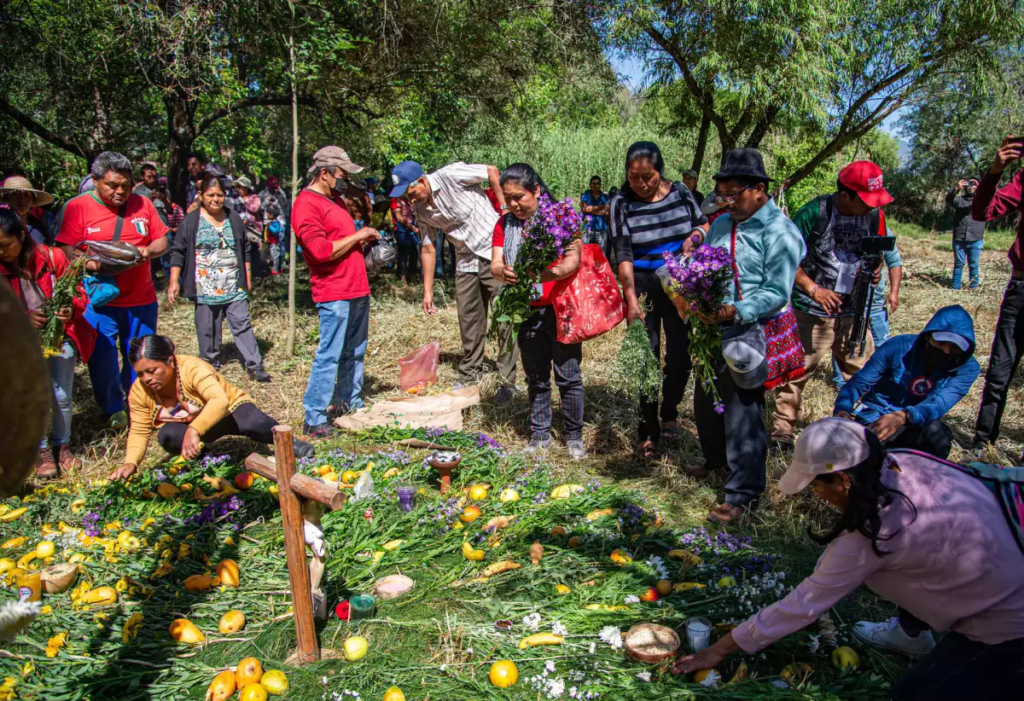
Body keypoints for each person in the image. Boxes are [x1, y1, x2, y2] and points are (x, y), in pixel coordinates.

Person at [673, 418, 1024, 701]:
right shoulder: (903, 462)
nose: (814, 493)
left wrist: (717, 651)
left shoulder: (873, 535)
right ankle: (911, 632)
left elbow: (803, 604)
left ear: (841, 480)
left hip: (1008, 622)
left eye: (814, 484)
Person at [682, 148, 805, 524]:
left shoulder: (779, 232)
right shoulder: (723, 223)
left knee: (741, 408)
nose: (726, 201)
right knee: (707, 399)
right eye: (722, 193)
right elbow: (707, 262)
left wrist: (735, 310)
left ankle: (743, 492)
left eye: (733, 193)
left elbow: (776, 292)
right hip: (713, 324)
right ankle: (716, 461)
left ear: (759, 190)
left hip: (749, 328)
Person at [771, 161, 896, 456]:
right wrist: (813, 289)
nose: (870, 208)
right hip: (811, 313)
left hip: (854, 314)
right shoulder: (814, 213)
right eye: (865, 201)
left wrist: (875, 270)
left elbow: (876, 253)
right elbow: (782, 258)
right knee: (795, 374)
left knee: (864, 373)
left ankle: (862, 434)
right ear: (846, 194)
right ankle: (782, 436)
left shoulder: (874, 215)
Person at [55, 151, 169, 428]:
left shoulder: (143, 204)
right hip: (99, 301)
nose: (120, 192)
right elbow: (65, 248)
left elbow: (162, 240)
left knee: (140, 355)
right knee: (102, 357)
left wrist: (146, 251)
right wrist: (92, 265)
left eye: (126, 185)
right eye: (112, 185)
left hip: (141, 298)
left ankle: (137, 405)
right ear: (95, 181)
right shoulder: (77, 207)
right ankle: (112, 408)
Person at [609, 142, 709, 458]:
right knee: (646, 361)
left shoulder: (680, 191)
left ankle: (670, 411)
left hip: (679, 287)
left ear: (660, 171)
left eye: (647, 176)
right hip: (642, 288)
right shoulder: (620, 203)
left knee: (680, 357)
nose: (640, 183)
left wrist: (694, 240)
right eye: (633, 176)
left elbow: (702, 224)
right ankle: (648, 427)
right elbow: (622, 253)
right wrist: (631, 300)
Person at [391, 159, 518, 400]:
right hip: (465, 260)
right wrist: (427, 291)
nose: (410, 199)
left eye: (411, 192)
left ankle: (507, 381)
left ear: (421, 180)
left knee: (505, 317)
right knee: (469, 320)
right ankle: (470, 374)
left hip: (494, 252)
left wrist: (504, 209)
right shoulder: (420, 210)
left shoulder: (451, 175)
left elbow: (491, 171)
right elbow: (428, 248)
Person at [109, 335, 313, 480]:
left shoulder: (193, 368)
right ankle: (206, 459)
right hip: (194, 425)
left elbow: (219, 401)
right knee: (168, 436)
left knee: (256, 422)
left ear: (170, 361)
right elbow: (139, 429)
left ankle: (288, 443)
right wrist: (131, 462)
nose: (146, 379)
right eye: (140, 374)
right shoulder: (139, 391)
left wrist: (194, 429)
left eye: (151, 371)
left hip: (229, 412)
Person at [491, 164, 586, 458]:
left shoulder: (561, 218)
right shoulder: (504, 225)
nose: (514, 204)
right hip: (526, 309)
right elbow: (495, 262)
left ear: (536, 191)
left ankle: (573, 437)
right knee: (536, 375)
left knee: (568, 374)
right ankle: (540, 434)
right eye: (509, 199)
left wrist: (547, 274)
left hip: (560, 309)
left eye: (519, 196)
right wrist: (502, 271)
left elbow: (574, 260)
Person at [0, 209, 95, 478]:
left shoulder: (52, 257)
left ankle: (61, 447)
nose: (2, 252)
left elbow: (78, 293)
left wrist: (70, 311)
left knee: (61, 394)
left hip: (60, 335)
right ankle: (40, 451)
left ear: (22, 235)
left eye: (6, 245)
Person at [293, 146, 380, 438]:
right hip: (334, 291)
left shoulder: (337, 200)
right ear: (324, 173)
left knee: (355, 352)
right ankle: (315, 416)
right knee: (329, 354)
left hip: (356, 286)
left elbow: (340, 241)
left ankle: (348, 404)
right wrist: (358, 234)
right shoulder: (306, 204)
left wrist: (363, 243)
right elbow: (319, 251)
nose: (345, 180)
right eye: (342, 174)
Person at [834, 305, 979, 459]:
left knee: (938, 434)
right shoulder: (899, 347)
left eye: (955, 348)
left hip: (916, 422)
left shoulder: (968, 369)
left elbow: (940, 404)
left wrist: (904, 417)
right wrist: (842, 409)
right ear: (927, 336)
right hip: (876, 416)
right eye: (941, 343)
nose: (946, 351)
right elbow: (859, 382)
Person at [166, 175, 270, 382]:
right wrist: (173, 282)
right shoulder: (191, 221)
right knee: (207, 327)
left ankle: (254, 365)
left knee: (242, 323)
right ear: (201, 196)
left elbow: (245, 249)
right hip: (204, 284)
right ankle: (209, 364)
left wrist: (247, 276)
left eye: (220, 195)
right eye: (210, 195)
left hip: (233, 282)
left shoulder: (233, 218)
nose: (215, 199)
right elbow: (178, 252)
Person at [972, 136, 1024, 450]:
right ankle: (982, 445)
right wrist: (995, 171)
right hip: (1021, 289)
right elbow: (983, 211)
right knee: (999, 371)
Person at [831, 238, 902, 388]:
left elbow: (894, 262)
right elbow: (844, 265)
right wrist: (841, 299)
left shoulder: (882, 232)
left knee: (882, 344)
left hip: (875, 303)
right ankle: (841, 384)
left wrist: (894, 292)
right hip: (850, 305)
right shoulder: (845, 228)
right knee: (844, 343)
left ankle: (883, 383)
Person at [946, 177, 985, 290]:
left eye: (975, 184)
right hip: (959, 239)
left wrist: (981, 187)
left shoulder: (982, 201)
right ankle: (955, 287)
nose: (971, 186)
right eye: (970, 183)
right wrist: (956, 188)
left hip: (976, 239)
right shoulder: (959, 200)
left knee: (973, 265)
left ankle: (974, 287)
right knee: (958, 264)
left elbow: (992, 197)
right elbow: (948, 199)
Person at [0, 175, 53, 245]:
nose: (22, 199)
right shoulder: (1, 223)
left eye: (26, 195)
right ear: (7, 198)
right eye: (16, 194)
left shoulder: (40, 225)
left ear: (32, 201)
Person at [260, 175, 292, 274]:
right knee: (270, 245)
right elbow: (260, 208)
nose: (273, 189)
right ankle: (271, 263)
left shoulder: (281, 192)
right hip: (268, 222)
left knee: (280, 244)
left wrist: (279, 195)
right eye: (272, 188)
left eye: (275, 187)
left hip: (281, 221)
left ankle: (281, 265)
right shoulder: (263, 194)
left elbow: (286, 204)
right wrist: (267, 202)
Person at [579, 175, 611, 261]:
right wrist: (601, 207)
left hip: (601, 230)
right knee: (584, 255)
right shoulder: (585, 196)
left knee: (601, 256)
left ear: (600, 185)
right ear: (590, 185)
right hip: (587, 229)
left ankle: (600, 274)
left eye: (597, 183)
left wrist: (591, 210)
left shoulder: (605, 197)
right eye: (593, 183)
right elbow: (585, 209)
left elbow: (607, 212)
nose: (595, 185)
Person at [391, 195, 420, 283]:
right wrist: (411, 227)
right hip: (402, 230)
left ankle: (412, 274)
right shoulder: (395, 200)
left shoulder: (408, 200)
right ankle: (402, 276)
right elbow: (399, 218)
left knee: (414, 253)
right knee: (403, 254)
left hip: (411, 229)